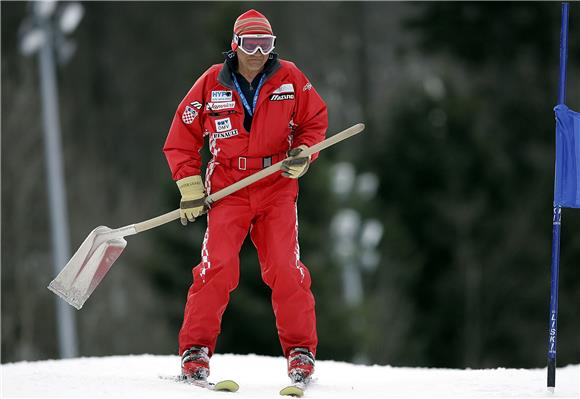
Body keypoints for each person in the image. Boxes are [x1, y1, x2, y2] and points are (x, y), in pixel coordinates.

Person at [163, 9, 328, 384]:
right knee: (217, 265)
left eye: (266, 44)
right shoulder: (212, 83)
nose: (258, 51)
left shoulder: (290, 77)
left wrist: (304, 153)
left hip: (276, 183)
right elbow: (182, 135)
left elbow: (315, 120)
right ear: (235, 44)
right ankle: (195, 351)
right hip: (228, 184)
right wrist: (190, 187)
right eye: (250, 43)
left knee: (285, 268)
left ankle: (301, 352)